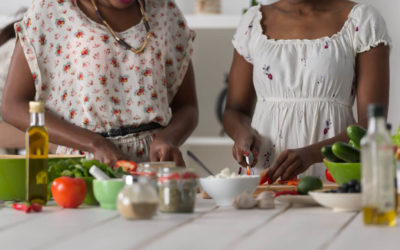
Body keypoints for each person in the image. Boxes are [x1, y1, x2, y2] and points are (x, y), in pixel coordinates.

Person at [2, 0, 198, 167]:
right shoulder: (51, 11)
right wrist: (94, 143)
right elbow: (13, 106)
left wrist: (168, 139)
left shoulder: (164, 10)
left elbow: (187, 106)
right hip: (84, 166)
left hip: (154, 167)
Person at [224, 0, 390, 182]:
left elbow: (373, 125)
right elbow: (235, 110)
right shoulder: (253, 21)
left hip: (332, 175)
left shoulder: (363, 20)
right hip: (265, 176)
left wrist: (311, 155)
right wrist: (242, 134)